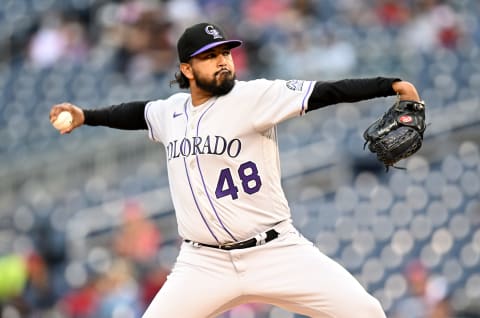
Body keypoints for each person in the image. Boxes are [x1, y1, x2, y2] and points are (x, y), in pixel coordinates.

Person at [50, 22, 422, 318]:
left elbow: (327, 91)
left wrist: (390, 85)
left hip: (275, 251)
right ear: (186, 69)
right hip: (203, 262)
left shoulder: (253, 96)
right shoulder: (170, 112)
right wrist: (86, 116)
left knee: (365, 311)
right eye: (210, 56)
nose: (223, 60)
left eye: (225, 52)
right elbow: (133, 113)